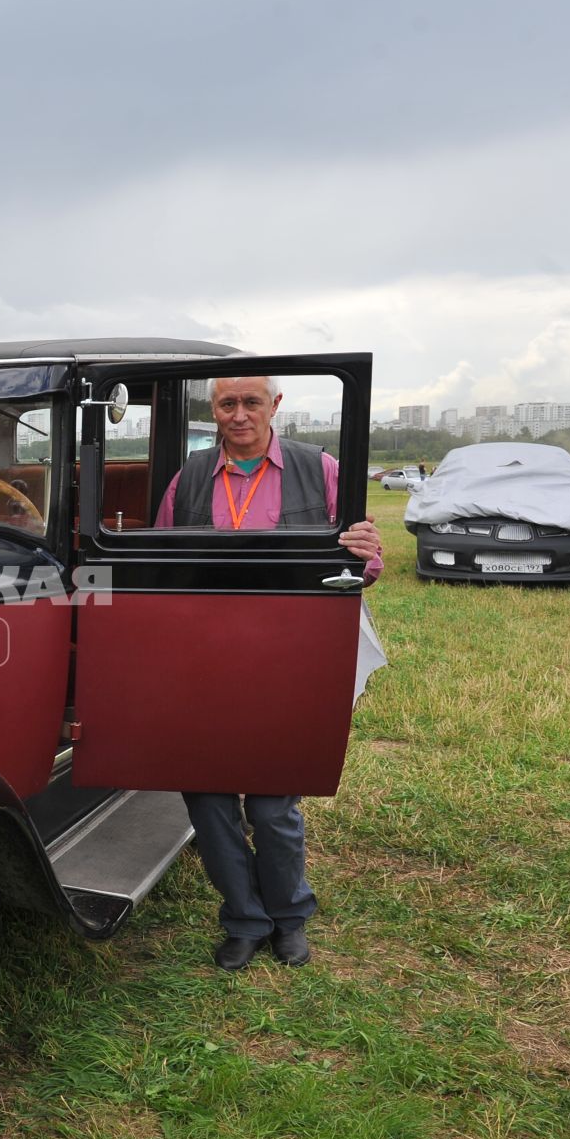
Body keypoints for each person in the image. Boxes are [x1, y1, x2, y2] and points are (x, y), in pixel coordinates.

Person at [152, 376, 383, 972]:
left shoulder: (322, 469)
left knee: (274, 802)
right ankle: (243, 920)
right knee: (207, 796)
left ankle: (289, 918)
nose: (239, 414)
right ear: (214, 410)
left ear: (275, 406)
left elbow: (365, 561)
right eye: (227, 403)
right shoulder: (190, 477)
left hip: (286, 653)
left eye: (251, 402)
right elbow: (155, 564)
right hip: (205, 656)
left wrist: (363, 550)